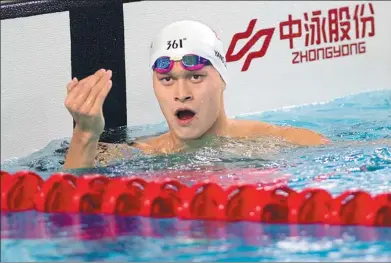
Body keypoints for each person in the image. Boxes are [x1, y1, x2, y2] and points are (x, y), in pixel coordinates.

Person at [63, 20, 330, 170]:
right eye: (167, 80)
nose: (181, 94)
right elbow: (68, 203)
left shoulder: (288, 141)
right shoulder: (136, 155)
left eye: (196, 77)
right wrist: (85, 134)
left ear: (222, 79)